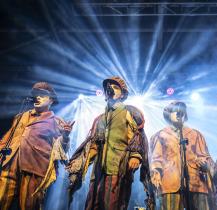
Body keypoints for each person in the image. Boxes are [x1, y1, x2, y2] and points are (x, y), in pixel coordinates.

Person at [67, 76, 152, 210]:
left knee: (113, 204)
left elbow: (138, 136)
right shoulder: (100, 119)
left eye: (115, 87)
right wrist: (81, 163)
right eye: (108, 87)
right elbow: (93, 144)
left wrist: (136, 155)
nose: (111, 89)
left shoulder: (129, 113)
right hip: (98, 171)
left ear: (122, 94)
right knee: (92, 204)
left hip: (118, 169)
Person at [0, 82, 74, 210]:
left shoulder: (55, 121)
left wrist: (66, 136)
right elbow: (7, 138)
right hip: (10, 165)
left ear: (51, 100)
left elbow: (62, 149)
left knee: (29, 205)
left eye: (43, 95)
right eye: (36, 95)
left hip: (34, 169)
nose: (38, 97)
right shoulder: (21, 116)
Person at [150, 101, 217, 210]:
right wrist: (156, 171)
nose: (178, 113)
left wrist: (205, 164)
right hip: (170, 181)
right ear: (169, 114)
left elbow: (205, 156)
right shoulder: (161, 135)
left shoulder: (195, 134)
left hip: (196, 182)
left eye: (181, 111)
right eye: (174, 111)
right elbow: (156, 158)